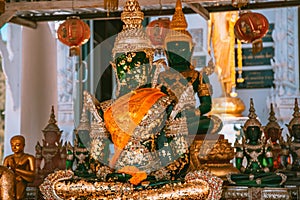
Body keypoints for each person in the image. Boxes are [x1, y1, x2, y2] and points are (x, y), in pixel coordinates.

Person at [227, 99, 286, 187]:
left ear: (260, 132)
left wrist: (262, 171)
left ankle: (254, 181)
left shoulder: (265, 146)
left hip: (262, 174)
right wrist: (246, 171)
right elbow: (238, 165)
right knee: (231, 177)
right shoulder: (242, 147)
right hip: (247, 174)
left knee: (279, 177)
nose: (253, 134)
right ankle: (256, 181)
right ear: (246, 132)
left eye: (255, 131)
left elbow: (270, 164)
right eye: (251, 131)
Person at [3, 135, 35, 200]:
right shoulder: (8, 158)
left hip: (22, 180)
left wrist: (16, 169)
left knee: (18, 197)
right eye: (12, 145)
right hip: (10, 181)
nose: (14, 147)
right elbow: (4, 173)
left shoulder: (29, 158)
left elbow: (33, 174)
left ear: (23, 145)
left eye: (17, 145)